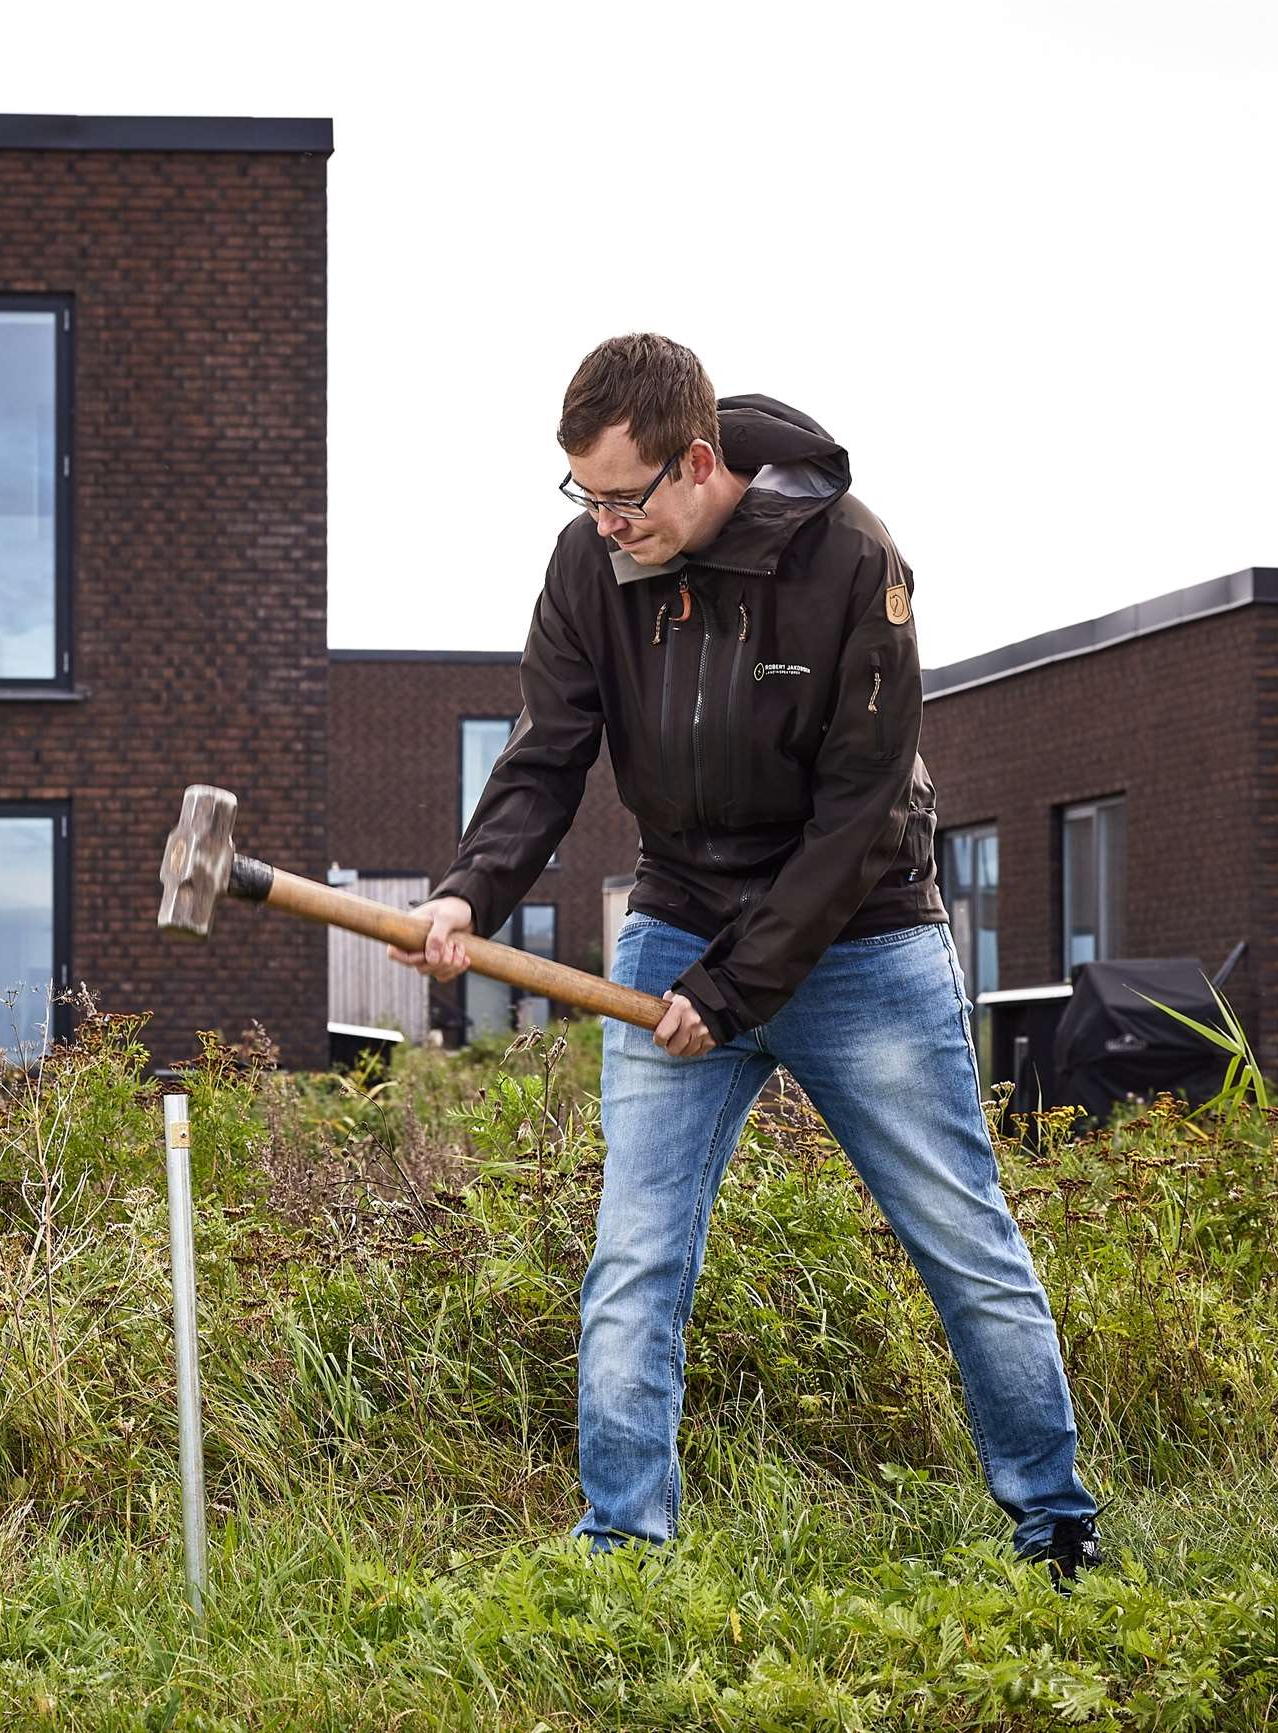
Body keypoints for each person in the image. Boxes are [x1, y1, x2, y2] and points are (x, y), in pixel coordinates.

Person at [390, 333, 1101, 1583]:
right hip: (678, 916)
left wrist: (729, 994)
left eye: (622, 497)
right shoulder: (586, 567)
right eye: (583, 497)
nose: (603, 524)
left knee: (959, 1237)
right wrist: (467, 893)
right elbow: (545, 755)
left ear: (698, 462)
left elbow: (860, 814)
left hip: (861, 931)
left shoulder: (851, 560)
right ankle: (621, 1542)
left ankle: (1052, 1522)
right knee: (635, 1250)